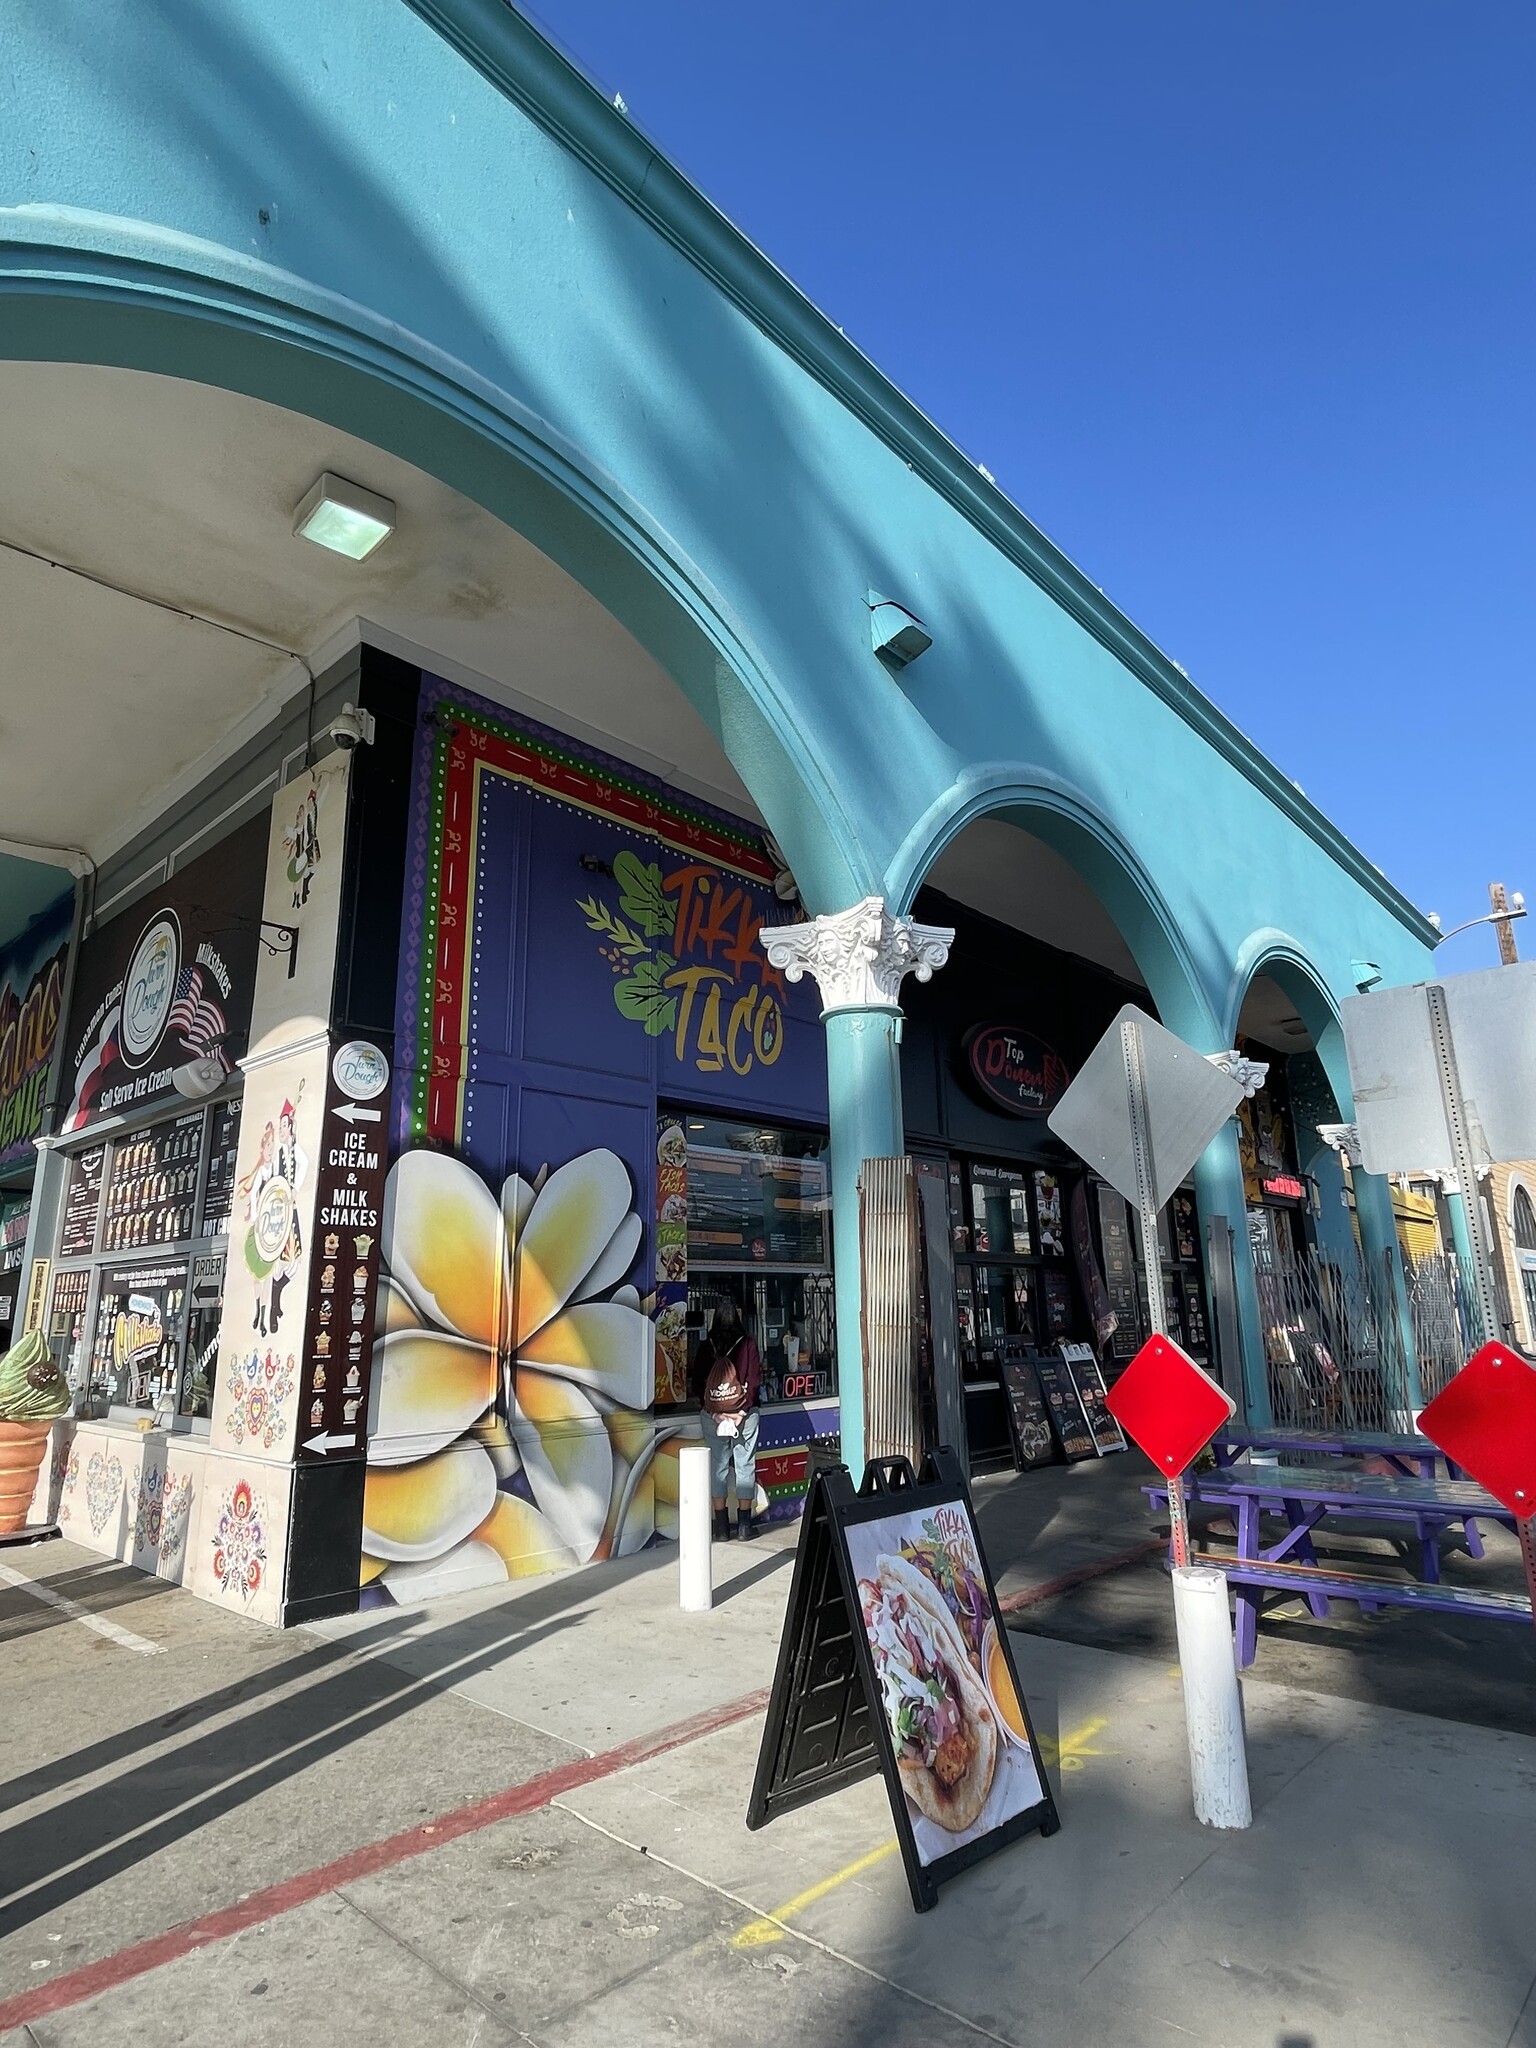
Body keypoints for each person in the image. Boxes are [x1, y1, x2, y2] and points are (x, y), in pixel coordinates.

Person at [691, 1301, 762, 1541]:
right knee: (745, 1466)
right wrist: (741, 1412)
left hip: (713, 1416)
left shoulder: (706, 1346)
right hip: (745, 1416)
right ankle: (744, 1527)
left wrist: (715, 1414)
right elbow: (754, 1382)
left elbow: (697, 1384)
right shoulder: (748, 1344)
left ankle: (721, 1528)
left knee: (717, 1468)